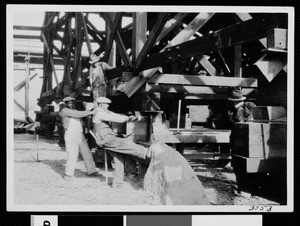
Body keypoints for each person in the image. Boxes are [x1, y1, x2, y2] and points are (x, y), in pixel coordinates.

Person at [92, 97, 151, 188]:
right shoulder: (99, 113)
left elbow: (116, 115)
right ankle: (146, 152)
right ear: (101, 104)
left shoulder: (104, 112)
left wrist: (129, 118)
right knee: (126, 144)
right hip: (106, 139)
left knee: (118, 158)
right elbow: (113, 118)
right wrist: (127, 119)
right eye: (106, 104)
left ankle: (117, 183)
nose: (108, 105)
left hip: (108, 138)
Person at [59, 96, 100, 181]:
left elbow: (82, 112)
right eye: (69, 102)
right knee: (73, 154)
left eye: (72, 102)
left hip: (79, 134)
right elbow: (79, 114)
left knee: (87, 152)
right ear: (66, 104)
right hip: (71, 135)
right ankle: (68, 174)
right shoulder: (64, 111)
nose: (71, 104)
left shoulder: (74, 110)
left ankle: (92, 171)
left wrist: (92, 109)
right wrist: (92, 112)